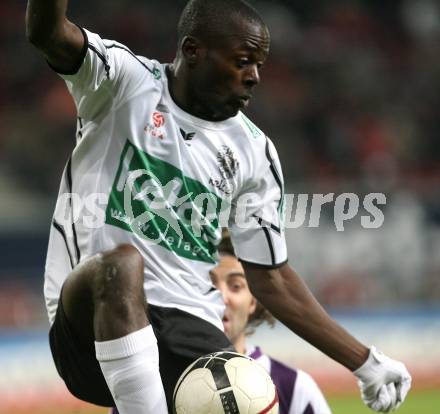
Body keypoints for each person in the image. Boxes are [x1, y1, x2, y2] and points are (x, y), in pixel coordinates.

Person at [25, 0, 411, 413]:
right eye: (243, 61)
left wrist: (365, 361)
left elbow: (272, 279)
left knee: (248, 396)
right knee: (121, 267)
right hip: (86, 325)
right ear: (193, 51)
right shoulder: (122, 81)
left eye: (259, 65)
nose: (255, 77)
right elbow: (48, 33)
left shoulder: (255, 152)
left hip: (189, 332)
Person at [210, 232, 332, 414]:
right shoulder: (162, 379)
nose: (222, 297)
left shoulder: (294, 387)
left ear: (253, 301)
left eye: (235, 286)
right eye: (209, 284)